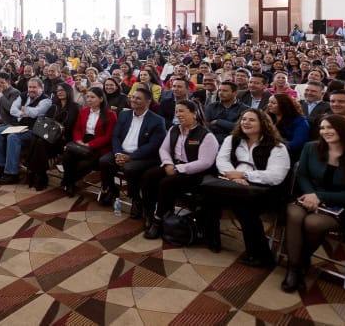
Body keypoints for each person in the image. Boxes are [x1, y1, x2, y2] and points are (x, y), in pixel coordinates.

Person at [281, 114, 345, 293]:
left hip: (342, 207)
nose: (325, 132)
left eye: (330, 127)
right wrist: (310, 194)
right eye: (322, 128)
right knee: (294, 214)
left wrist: (320, 196)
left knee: (313, 223)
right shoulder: (311, 148)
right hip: (308, 197)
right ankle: (294, 268)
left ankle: (300, 262)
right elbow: (302, 175)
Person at [199, 109, 290, 266]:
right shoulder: (232, 139)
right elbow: (222, 161)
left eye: (252, 120)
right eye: (244, 119)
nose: (246, 123)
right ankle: (211, 238)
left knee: (243, 206)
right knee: (209, 195)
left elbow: (275, 176)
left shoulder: (277, 147)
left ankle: (261, 255)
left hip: (264, 190)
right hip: (233, 184)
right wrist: (233, 177)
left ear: (263, 124)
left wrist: (245, 176)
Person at [141, 100, 218, 241]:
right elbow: (163, 149)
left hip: (194, 172)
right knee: (149, 176)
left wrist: (178, 169)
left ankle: (158, 221)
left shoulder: (206, 135)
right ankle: (148, 213)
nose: (178, 114)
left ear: (194, 114)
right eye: (177, 111)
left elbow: (205, 162)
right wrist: (169, 163)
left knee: (166, 183)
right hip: (173, 165)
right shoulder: (174, 129)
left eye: (182, 111)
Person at [97, 87, 167, 219]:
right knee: (104, 161)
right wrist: (118, 153)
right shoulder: (124, 114)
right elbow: (115, 136)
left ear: (148, 102)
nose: (133, 100)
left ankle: (136, 199)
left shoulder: (157, 121)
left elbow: (153, 145)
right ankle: (112, 190)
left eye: (138, 98)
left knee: (130, 169)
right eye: (133, 97)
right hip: (122, 151)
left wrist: (131, 157)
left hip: (143, 156)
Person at [0, 77, 51, 185]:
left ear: (42, 88)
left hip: (32, 129)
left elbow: (35, 113)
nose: (31, 89)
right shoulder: (23, 95)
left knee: (12, 137)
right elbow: (13, 110)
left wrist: (24, 109)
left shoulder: (46, 100)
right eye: (30, 87)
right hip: (17, 125)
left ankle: (11, 174)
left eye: (34, 87)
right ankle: (0, 165)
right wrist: (24, 112)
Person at [61, 86, 118, 197]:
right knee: (67, 157)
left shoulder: (110, 114)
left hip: (99, 144)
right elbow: (77, 128)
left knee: (84, 164)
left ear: (101, 99)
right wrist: (78, 140)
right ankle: (70, 183)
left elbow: (108, 136)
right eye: (87, 97)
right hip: (82, 141)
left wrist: (90, 144)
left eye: (92, 97)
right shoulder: (84, 111)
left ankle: (68, 182)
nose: (89, 100)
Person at [25, 82, 79, 191]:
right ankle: (39, 173)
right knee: (36, 138)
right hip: (48, 136)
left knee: (40, 141)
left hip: (63, 139)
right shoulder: (55, 105)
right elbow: (45, 121)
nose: (60, 93)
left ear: (68, 91)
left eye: (62, 90)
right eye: (58, 91)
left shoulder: (74, 107)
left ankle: (36, 173)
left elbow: (71, 126)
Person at [266, 93, 310, 160]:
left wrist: (272, 145)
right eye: (269, 102)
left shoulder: (300, 121)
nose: (269, 105)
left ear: (283, 105)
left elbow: (296, 144)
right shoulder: (267, 118)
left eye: (273, 103)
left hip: (288, 155)